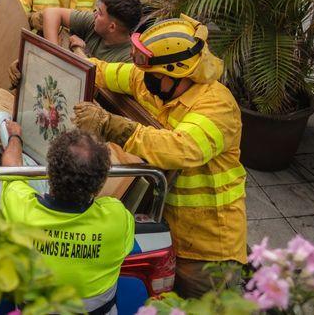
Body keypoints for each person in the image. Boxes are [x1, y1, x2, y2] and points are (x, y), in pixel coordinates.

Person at [71, 15, 246, 298]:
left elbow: (180, 148)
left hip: (206, 249)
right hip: (164, 227)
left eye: (152, 74)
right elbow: (101, 71)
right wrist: (42, 67)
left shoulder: (217, 106)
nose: (143, 77)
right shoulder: (154, 81)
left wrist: (112, 125)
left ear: (175, 75)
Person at [0, 124, 134, 315]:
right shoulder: (117, 218)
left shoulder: (22, 210)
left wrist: (15, 136)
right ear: (101, 182)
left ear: (49, 173)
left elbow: (11, 168)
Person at [40, 0, 142, 63]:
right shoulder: (94, 23)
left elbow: (101, 85)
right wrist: (54, 51)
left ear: (112, 27)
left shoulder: (128, 59)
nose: (95, 14)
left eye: (100, 13)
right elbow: (52, 13)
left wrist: (80, 52)